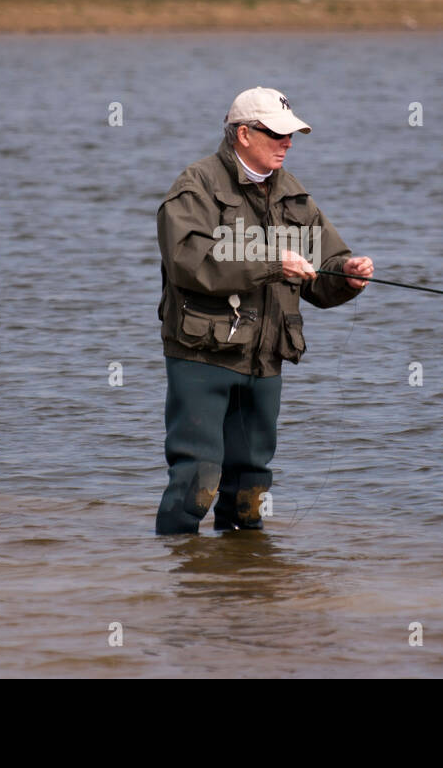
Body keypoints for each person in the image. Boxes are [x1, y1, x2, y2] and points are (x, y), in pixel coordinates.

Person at [154, 87, 374, 534]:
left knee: (251, 488)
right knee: (198, 476)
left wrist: (346, 275)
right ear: (242, 134)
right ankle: (179, 578)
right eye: (275, 133)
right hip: (202, 357)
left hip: (266, 359)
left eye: (291, 134)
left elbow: (324, 269)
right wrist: (273, 265)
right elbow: (187, 262)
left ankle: (247, 583)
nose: (287, 143)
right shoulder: (195, 186)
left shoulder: (294, 196)